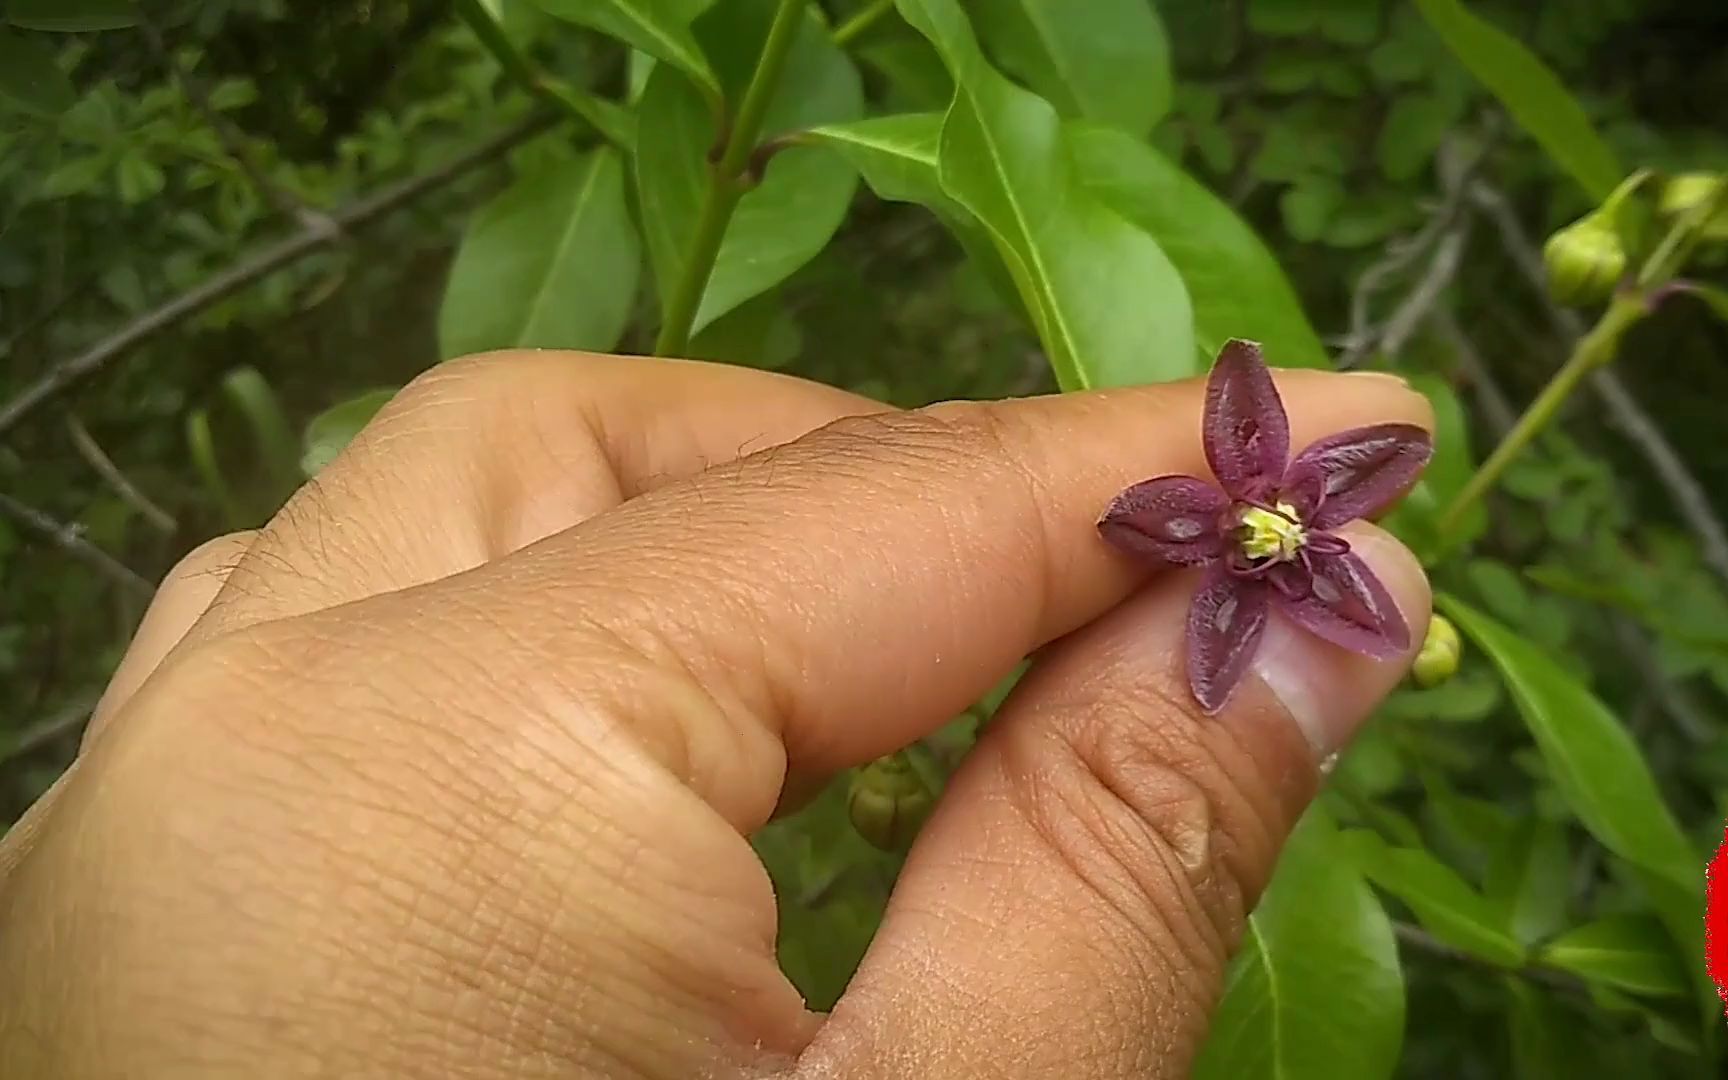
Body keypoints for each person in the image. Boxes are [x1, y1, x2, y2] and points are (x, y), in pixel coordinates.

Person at [0, 351, 1432, 1078]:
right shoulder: (1221, 529)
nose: (1258, 534)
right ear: (1230, 501)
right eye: (1251, 523)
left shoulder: (1255, 543)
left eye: (1275, 526)